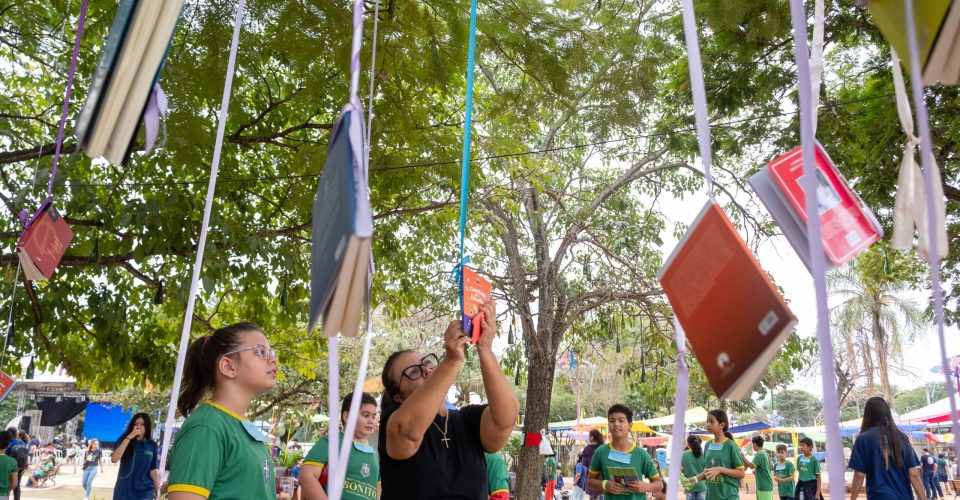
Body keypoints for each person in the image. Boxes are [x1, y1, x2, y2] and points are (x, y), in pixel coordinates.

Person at [378, 302, 519, 499]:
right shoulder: (392, 422)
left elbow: (506, 419)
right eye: (412, 372)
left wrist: (484, 348)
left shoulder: (467, 420)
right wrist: (452, 360)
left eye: (427, 362)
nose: (426, 370)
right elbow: (408, 430)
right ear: (398, 397)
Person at [167, 322, 279, 500]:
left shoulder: (243, 425)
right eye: (260, 352)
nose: (273, 359)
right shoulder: (206, 428)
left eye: (271, 352)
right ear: (228, 366)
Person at [301, 392, 380, 500]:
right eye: (365, 415)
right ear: (347, 416)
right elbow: (306, 477)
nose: (371, 421)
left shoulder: (373, 452)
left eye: (373, 416)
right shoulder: (331, 442)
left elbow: (377, 487)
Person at [848, 397, 926, 499]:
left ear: (868, 415)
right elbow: (914, 474)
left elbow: (859, 475)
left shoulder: (863, 439)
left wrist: (852, 498)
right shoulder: (901, 437)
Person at [586, 404, 663, 499]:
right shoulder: (600, 452)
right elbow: (589, 481)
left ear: (630, 425)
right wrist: (605, 484)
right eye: (612, 421)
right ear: (609, 424)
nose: (616, 424)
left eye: (621, 420)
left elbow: (659, 484)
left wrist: (645, 487)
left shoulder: (641, 454)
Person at [686, 409, 744, 499]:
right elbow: (708, 472)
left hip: (728, 496)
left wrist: (721, 469)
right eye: (707, 421)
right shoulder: (708, 445)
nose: (708, 424)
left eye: (711, 421)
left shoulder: (730, 445)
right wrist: (695, 479)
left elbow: (741, 473)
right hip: (711, 496)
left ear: (722, 425)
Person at [112, 412, 161, 500]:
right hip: (124, 490)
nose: (138, 427)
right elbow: (114, 459)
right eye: (136, 424)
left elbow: (153, 470)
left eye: (142, 424)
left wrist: (158, 490)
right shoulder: (124, 440)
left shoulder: (152, 445)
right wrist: (129, 437)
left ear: (147, 426)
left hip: (145, 491)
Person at [679, 435, 706, 500]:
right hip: (702, 486)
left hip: (689, 486)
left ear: (688, 443)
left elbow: (681, 470)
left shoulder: (684, 455)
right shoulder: (703, 455)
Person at [582, 430, 604, 500]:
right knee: (600, 496)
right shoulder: (603, 448)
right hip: (601, 476)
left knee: (592, 497)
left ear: (592, 437)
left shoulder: (587, 449)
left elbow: (584, 463)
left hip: (591, 475)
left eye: (589, 436)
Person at [4, 429, 25, 500]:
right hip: (20, 467)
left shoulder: (9, 443)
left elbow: (6, 454)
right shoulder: (22, 443)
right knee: (17, 486)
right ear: (16, 433)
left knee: (8, 485)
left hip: (10, 467)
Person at [0, 432, 19, 500]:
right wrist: (8, 491)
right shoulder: (12, 461)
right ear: (8, 445)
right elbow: (14, 483)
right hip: (2, 495)